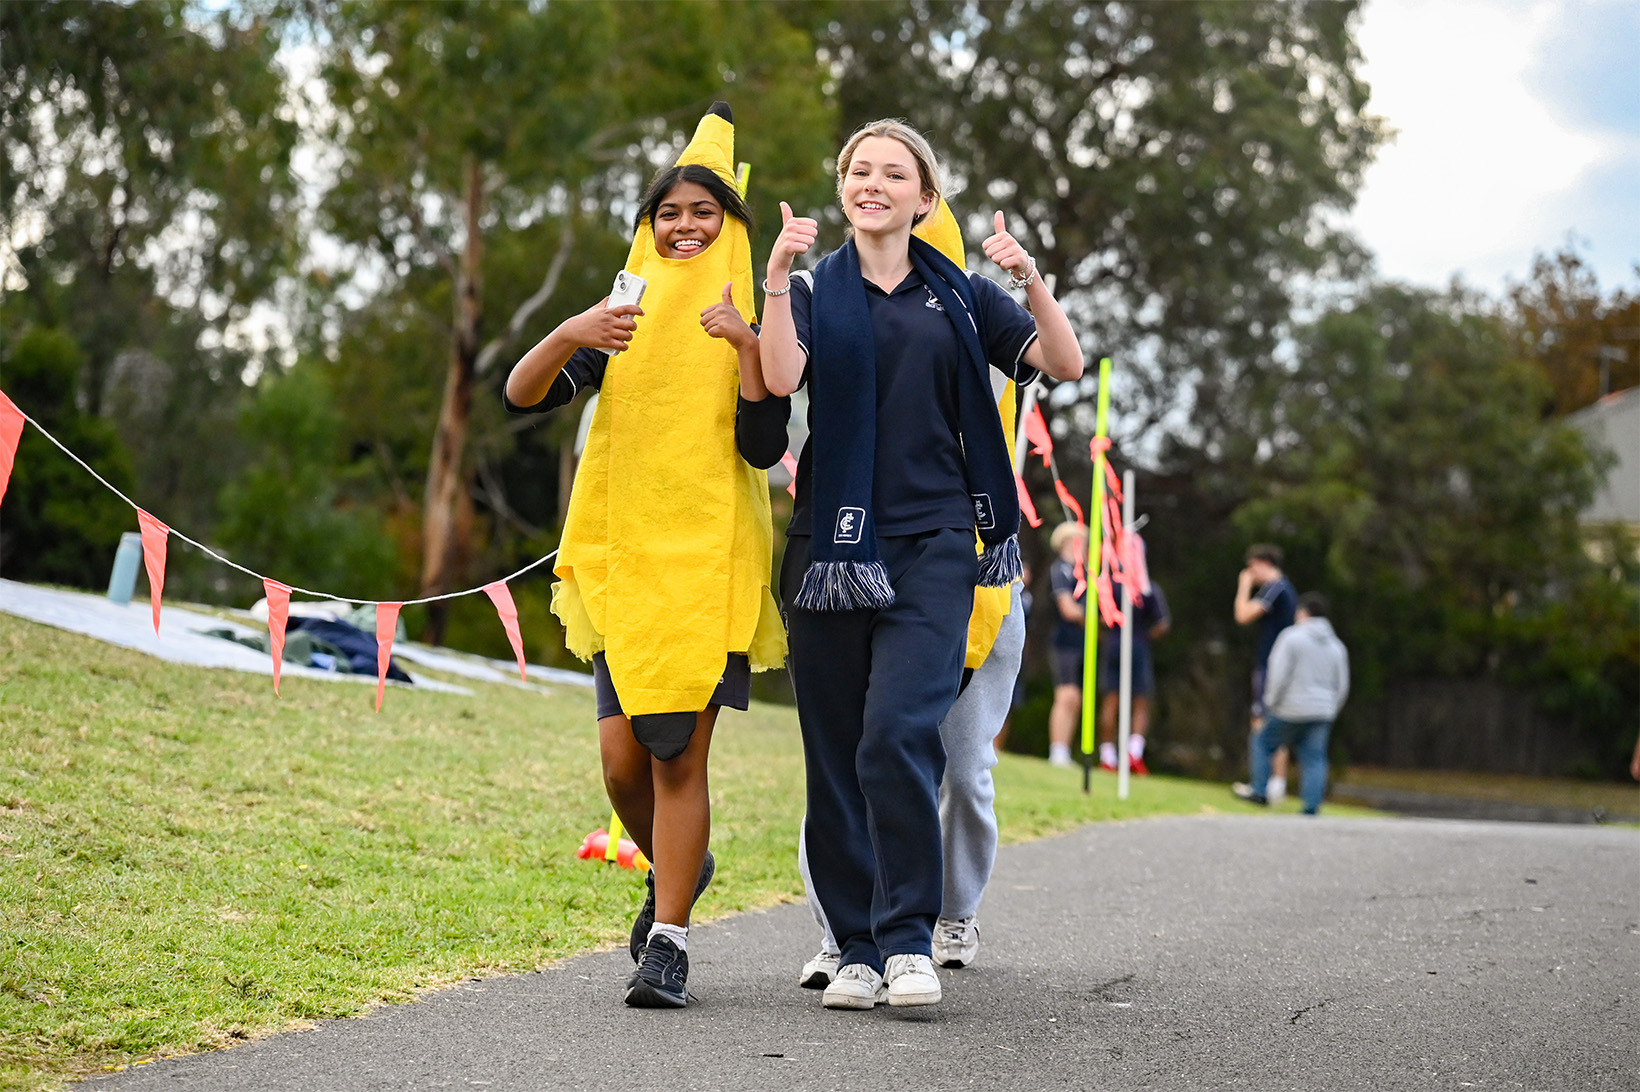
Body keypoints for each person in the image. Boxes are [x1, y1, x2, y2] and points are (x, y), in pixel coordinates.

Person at [761, 118, 1083, 1010]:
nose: (873, 184)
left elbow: (1062, 362)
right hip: (831, 548)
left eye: (893, 173)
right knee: (834, 755)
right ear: (843, 191)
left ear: (924, 197)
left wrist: (1029, 279)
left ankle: (908, 940)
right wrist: (777, 278)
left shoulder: (967, 295)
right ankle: (854, 950)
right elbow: (781, 378)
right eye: (858, 171)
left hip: (938, 542)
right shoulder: (814, 290)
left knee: (896, 731)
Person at [505, 104, 788, 1008]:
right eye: (669, 213)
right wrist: (572, 331)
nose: (685, 225)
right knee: (622, 768)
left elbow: (763, 445)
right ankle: (681, 867)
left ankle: (669, 944)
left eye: (704, 212)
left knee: (676, 762)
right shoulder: (619, 317)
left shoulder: (755, 316)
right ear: (648, 225)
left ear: (730, 225)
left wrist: (746, 347)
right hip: (624, 563)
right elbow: (520, 394)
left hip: (707, 568)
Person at [1233, 593, 1349, 813]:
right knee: (1315, 758)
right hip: (1322, 712)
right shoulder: (1337, 646)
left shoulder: (1291, 637)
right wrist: (1331, 709)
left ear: (1303, 613)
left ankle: (1259, 790)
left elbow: (1278, 674)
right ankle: (1311, 807)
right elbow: (1342, 685)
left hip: (1290, 708)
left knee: (1262, 742)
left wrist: (1270, 702)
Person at [1233, 543, 1297, 800]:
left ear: (1264, 563)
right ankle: (1276, 784)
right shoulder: (1285, 589)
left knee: (1263, 723)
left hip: (1272, 667)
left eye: (1252, 568)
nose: (1250, 573)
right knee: (1274, 722)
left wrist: (1243, 586)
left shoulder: (1275, 589)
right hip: (1278, 667)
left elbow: (1242, 615)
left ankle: (1262, 784)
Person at [1095, 568, 1170, 774]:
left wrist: (1106, 638)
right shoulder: (1148, 587)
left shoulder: (1109, 586)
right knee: (1141, 701)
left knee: (1111, 701)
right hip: (1138, 646)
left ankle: (1108, 756)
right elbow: (1163, 623)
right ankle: (1134, 753)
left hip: (1114, 644)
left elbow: (1097, 617)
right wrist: (1146, 638)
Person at [1046, 522, 1090, 768]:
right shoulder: (1060, 570)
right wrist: (1090, 616)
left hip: (1082, 642)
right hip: (1065, 642)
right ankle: (1057, 750)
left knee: (1076, 698)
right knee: (1066, 695)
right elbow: (1068, 609)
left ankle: (1064, 749)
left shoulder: (1085, 573)